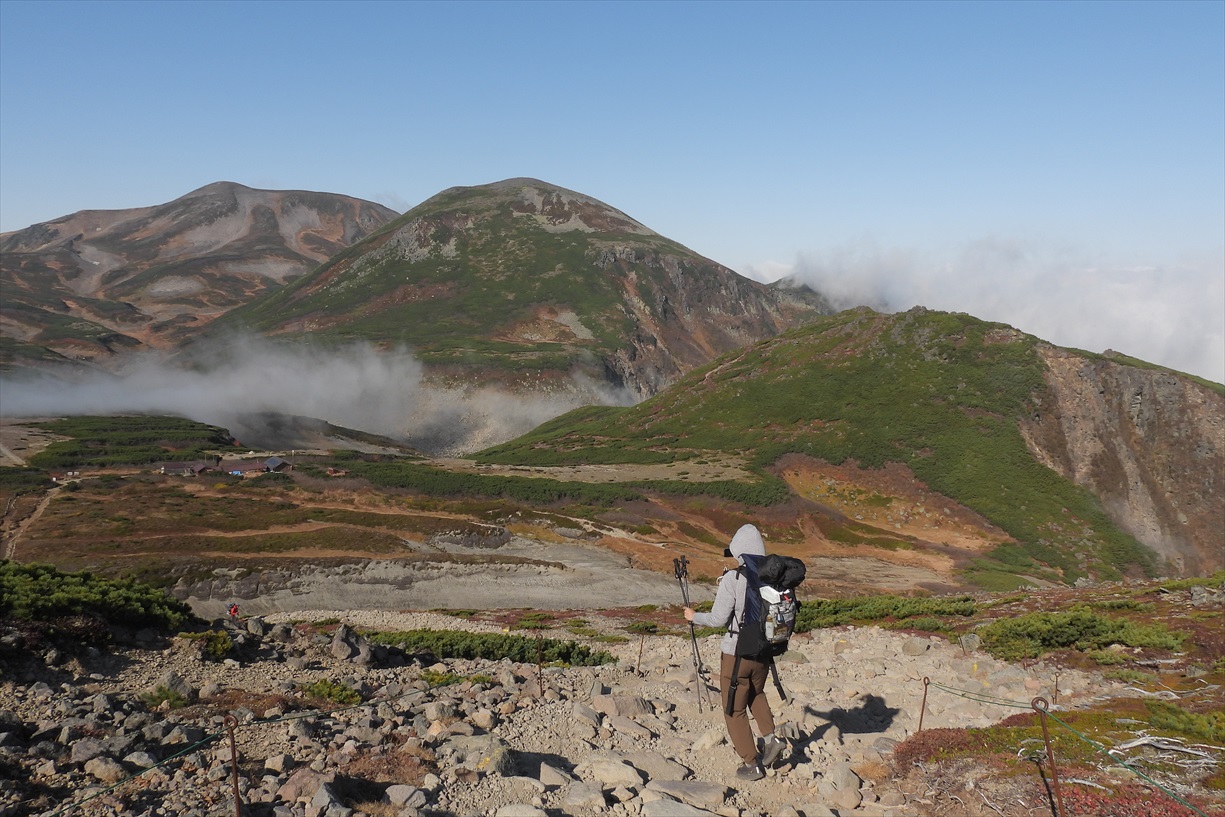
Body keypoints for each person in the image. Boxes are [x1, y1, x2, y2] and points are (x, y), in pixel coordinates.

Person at [684, 524, 788, 781]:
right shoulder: (772, 578)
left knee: (734, 710)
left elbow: (719, 619)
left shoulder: (734, 578)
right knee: (757, 692)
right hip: (764, 653)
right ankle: (771, 739)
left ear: (739, 551)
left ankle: (752, 764)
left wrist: (693, 616)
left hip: (736, 655)